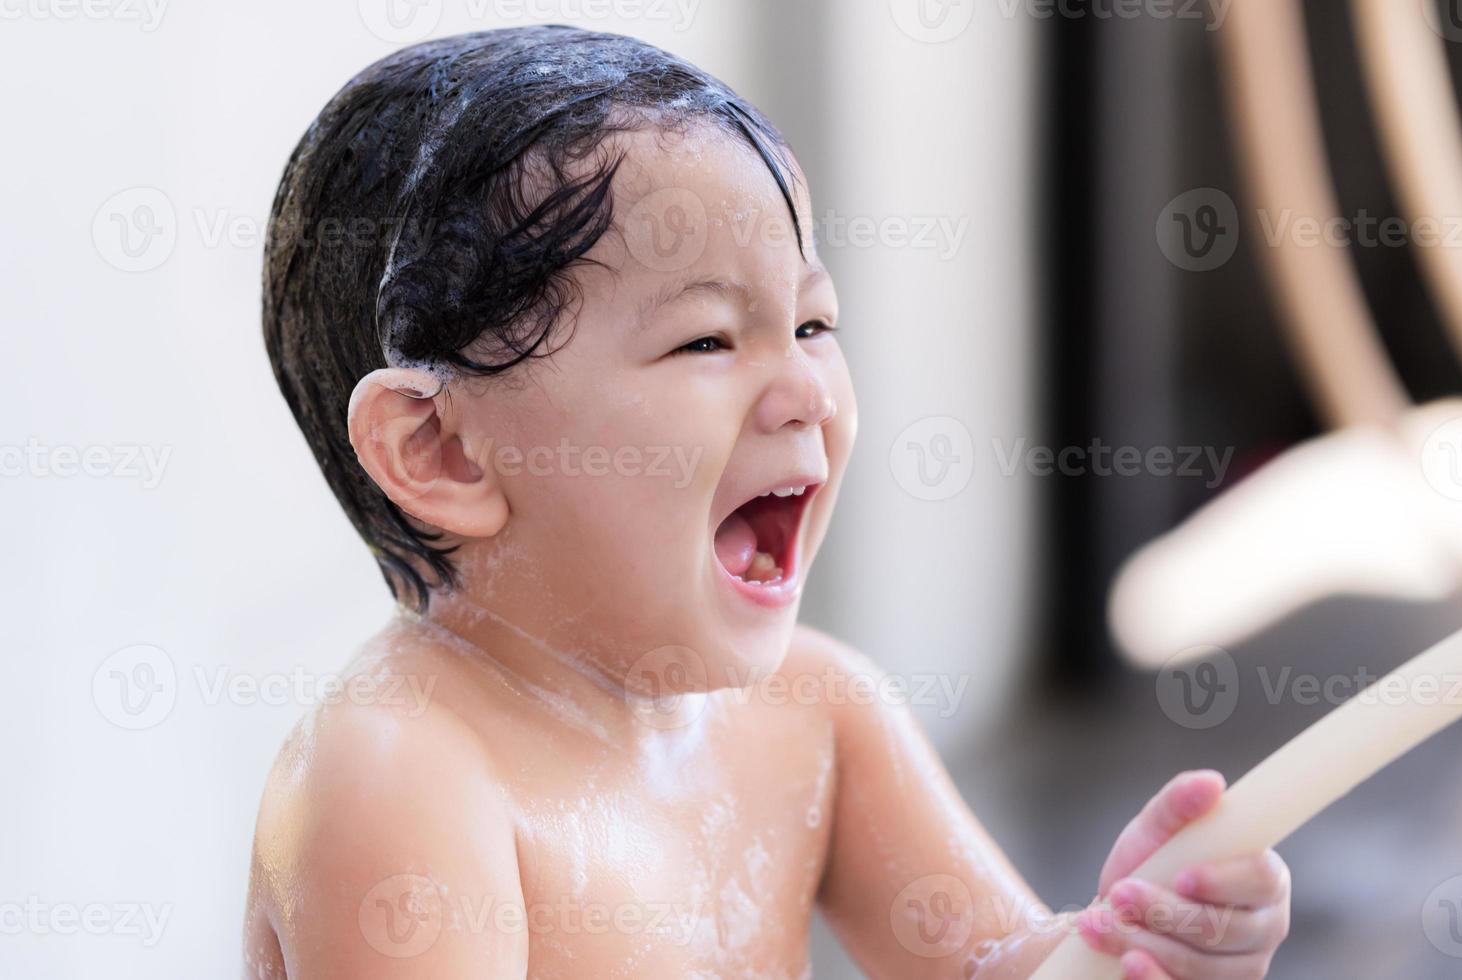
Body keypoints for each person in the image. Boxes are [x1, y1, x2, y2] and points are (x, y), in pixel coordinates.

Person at [244, 26, 1290, 979]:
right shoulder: (402, 778)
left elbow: (995, 968)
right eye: (705, 339)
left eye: (813, 324)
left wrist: (1128, 945)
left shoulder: (818, 712)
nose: (801, 392)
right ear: (441, 451)